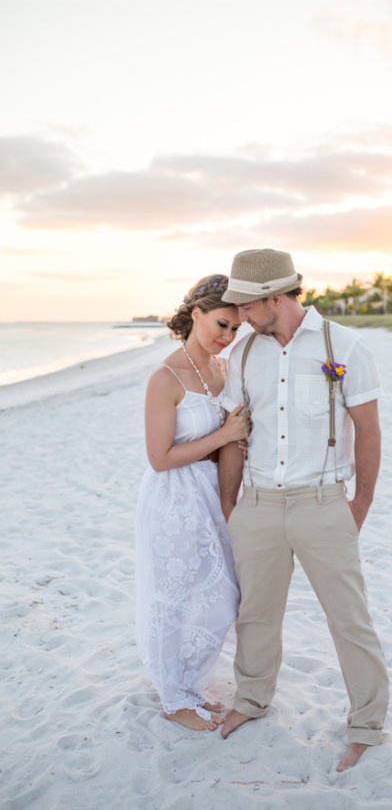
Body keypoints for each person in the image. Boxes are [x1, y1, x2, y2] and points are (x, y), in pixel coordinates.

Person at [217, 249, 389, 770]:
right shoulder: (246, 356)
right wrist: (231, 504)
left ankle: (366, 723)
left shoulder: (345, 346)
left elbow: (368, 428)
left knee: (349, 619)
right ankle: (251, 699)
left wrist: (360, 502)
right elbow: (234, 433)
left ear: (276, 297)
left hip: (323, 504)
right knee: (256, 615)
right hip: (260, 504)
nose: (240, 319)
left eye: (247, 307)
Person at [135, 274, 246, 732]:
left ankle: (190, 683)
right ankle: (175, 696)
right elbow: (159, 458)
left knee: (222, 595)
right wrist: (224, 435)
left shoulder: (223, 370)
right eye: (221, 324)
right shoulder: (165, 377)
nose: (228, 337)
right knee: (174, 597)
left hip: (214, 494)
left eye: (236, 329)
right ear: (195, 314)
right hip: (174, 498)